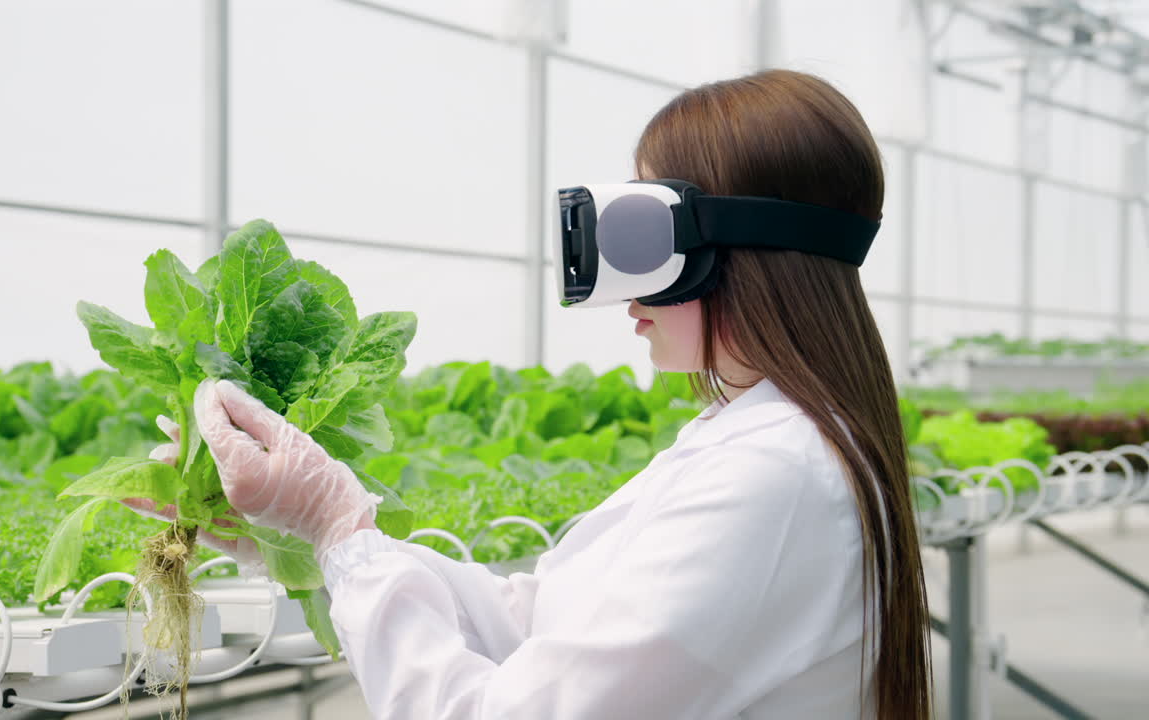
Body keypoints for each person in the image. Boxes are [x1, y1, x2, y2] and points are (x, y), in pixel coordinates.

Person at [130, 69, 932, 719]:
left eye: (642, 239)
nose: (623, 294)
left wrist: (340, 530)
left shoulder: (774, 479)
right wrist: (315, 541)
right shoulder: (755, 439)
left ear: (741, 248)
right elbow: (537, 618)